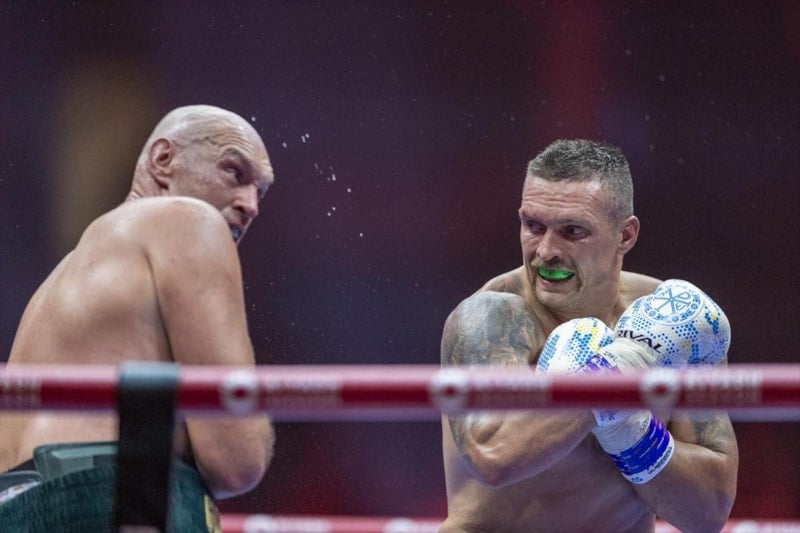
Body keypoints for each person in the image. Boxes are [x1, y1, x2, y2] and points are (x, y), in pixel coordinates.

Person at [439, 139, 738, 532]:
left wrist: (634, 434)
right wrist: (615, 375)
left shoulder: (672, 321)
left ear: (625, 235)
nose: (546, 251)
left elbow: (708, 513)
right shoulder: (492, 318)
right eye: (533, 226)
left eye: (572, 231)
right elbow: (492, 456)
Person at [0, 105, 276, 531]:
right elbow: (237, 460)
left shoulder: (65, 277)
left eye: (260, 191)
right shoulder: (188, 219)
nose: (251, 205)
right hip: (109, 496)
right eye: (233, 172)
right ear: (163, 160)